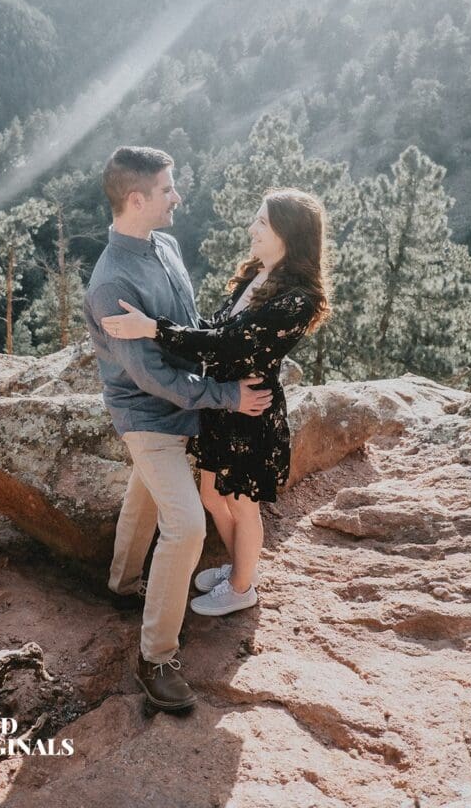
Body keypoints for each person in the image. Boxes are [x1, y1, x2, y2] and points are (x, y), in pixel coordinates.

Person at [83, 146, 273, 713]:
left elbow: (184, 328)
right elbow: (152, 375)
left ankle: (120, 588)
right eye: (169, 189)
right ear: (137, 199)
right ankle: (155, 657)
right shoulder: (110, 283)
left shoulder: (164, 244)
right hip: (147, 416)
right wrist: (227, 397)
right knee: (186, 525)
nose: (178, 197)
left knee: (145, 497)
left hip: (183, 406)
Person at [101, 187, 331, 619]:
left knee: (243, 503)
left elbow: (228, 343)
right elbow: (212, 326)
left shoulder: (299, 299)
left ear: (289, 233)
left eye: (262, 222)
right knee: (211, 493)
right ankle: (239, 567)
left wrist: (153, 329)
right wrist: (160, 327)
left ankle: (243, 585)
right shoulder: (257, 275)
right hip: (221, 405)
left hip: (249, 408)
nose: (252, 228)